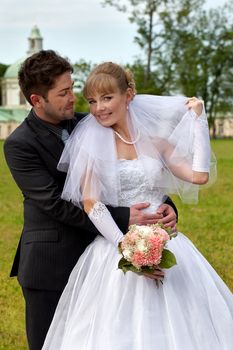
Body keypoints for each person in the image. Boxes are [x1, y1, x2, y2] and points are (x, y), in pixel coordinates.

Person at [42, 61, 233, 350]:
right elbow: (91, 202)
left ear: (128, 95)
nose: (98, 108)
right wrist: (126, 248)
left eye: (107, 98)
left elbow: (199, 175)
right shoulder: (92, 143)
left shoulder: (156, 141)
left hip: (167, 244)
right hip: (114, 249)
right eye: (92, 101)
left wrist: (199, 122)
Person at [3, 51, 178, 350]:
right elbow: (56, 204)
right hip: (51, 265)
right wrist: (125, 218)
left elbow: (136, 166)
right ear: (37, 100)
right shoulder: (19, 144)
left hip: (102, 264)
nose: (74, 98)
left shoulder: (93, 123)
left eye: (72, 87)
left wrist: (164, 207)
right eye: (64, 93)